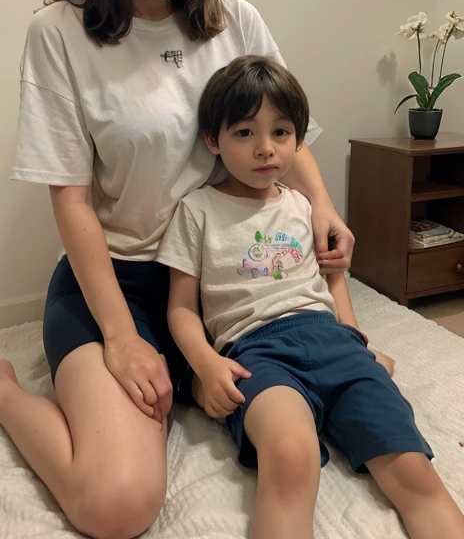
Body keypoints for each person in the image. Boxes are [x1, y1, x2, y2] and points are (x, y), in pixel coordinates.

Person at [0, 0, 355, 539]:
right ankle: (1, 392)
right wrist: (120, 337)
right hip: (120, 283)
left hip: (227, 284)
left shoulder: (238, 21)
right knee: (118, 505)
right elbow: (71, 201)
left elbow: (283, 140)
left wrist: (322, 204)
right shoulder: (60, 35)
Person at [157, 55, 464, 539]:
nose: (265, 149)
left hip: (333, 341)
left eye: (281, 132)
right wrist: (205, 364)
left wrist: (356, 338)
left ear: (299, 140)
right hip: (257, 353)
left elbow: (332, 278)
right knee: (290, 456)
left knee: (413, 468)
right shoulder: (196, 210)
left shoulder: (304, 205)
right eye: (244, 133)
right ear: (213, 139)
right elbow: (179, 307)